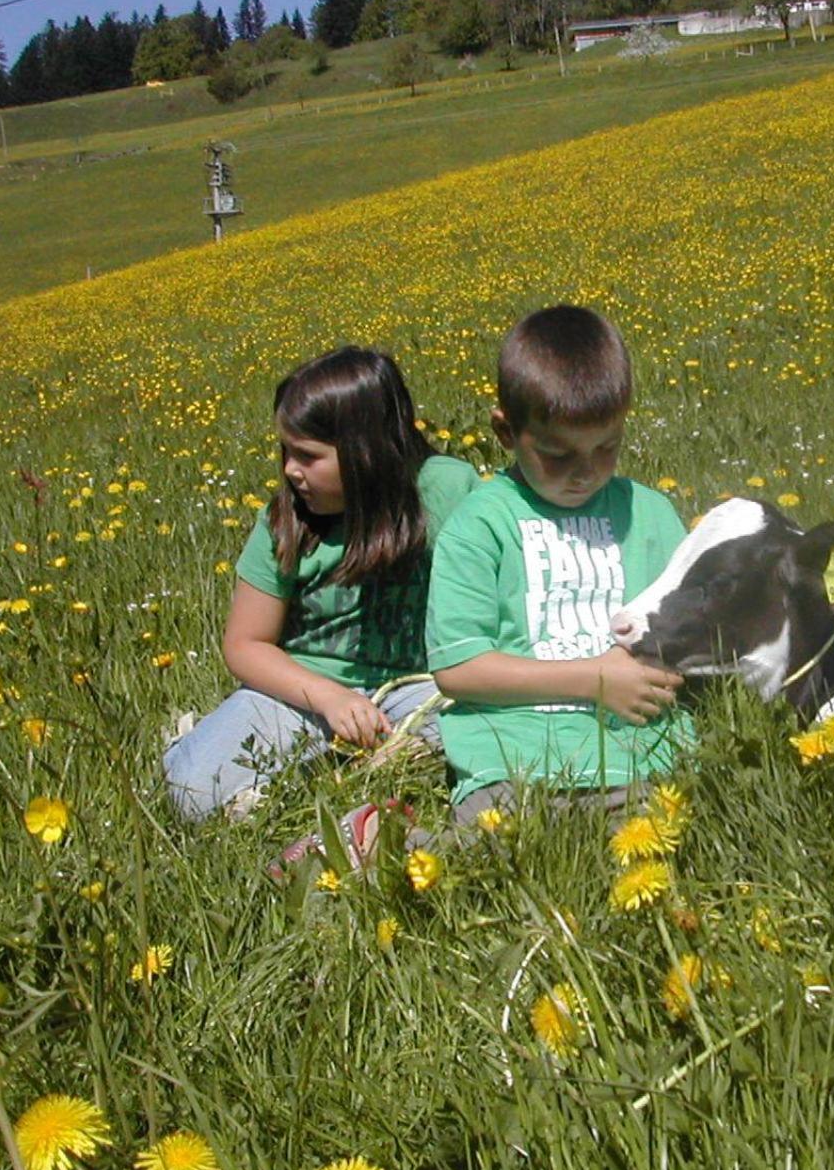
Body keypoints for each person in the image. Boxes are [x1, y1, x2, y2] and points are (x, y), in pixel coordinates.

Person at [164, 346, 480, 822]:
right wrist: (329, 698)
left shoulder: (447, 490)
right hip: (303, 695)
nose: (291, 470)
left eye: (308, 456)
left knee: (497, 728)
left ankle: (355, 771)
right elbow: (245, 644)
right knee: (191, 791)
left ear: (367, 453)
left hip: (422, 687)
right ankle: (211, 745)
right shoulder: (285, 522)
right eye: (287, 451)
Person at [423, 304, 690, 830]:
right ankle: (373, 839)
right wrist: (594, 678)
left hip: (638, 759)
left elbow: (703, 624)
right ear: (505, 432)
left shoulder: (651, 515)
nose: (584, 472)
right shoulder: (480, 525)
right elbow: (457, 669)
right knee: (474, 870)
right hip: (509, 762)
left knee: (673, 854)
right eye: (556, 453)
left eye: (606, 447)